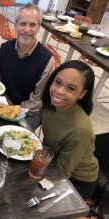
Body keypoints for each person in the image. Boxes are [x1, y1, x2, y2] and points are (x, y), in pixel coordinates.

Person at [0, 3, 55, 130]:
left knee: (13, 140)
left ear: (39, 28)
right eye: (22, 23)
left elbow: (37, 100)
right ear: (15, 25)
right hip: (3, 102)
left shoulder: (47, 60)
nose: (26, 30)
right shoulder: (2, 49)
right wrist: (3, 107)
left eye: (32, 25)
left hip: (29, 112)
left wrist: (12, 111)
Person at [41, 60, 99, 200]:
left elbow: (61, 173)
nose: (59, 91)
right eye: (58, 82)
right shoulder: (52, 106)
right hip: (52, 160)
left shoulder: (80, 130)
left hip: (77, 180)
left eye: (71, 88)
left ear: (82, 94)